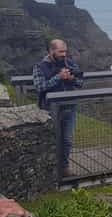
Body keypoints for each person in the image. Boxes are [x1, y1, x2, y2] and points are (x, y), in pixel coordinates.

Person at [32, 39, 84, 177]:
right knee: (52, 140)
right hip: (50, 109)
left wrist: (70, 79)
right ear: (51, 51)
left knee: (67, 140)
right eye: (61, 51)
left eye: (65, 51)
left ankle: (64, 169)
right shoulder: (39, 66)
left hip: (69, 107)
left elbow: (80, 82)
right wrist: (58, 77)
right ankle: (50, 171)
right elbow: (40, 87)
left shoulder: (70, 63)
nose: (64, 54)